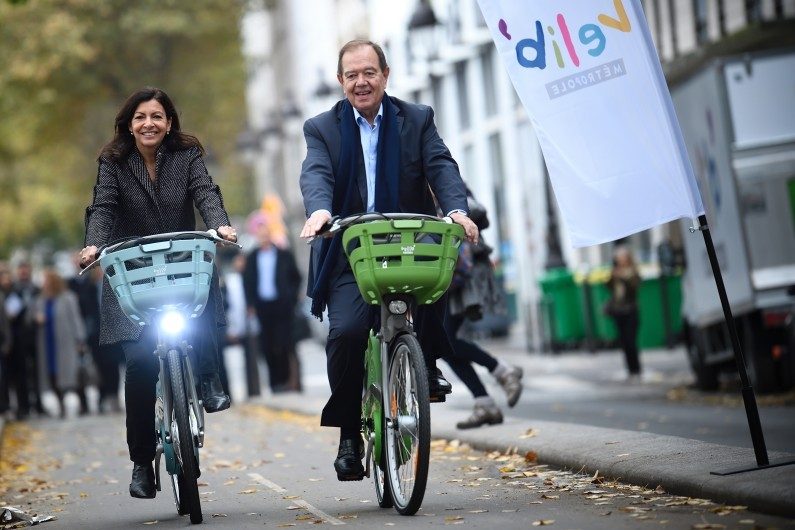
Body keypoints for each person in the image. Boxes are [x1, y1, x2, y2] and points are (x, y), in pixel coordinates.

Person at [298, 39, 478, 481]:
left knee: (433, 287)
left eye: (369, 72)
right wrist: (320, 210)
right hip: (348, 251)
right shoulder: (321, 128)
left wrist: (456, 210)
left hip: (406, 243)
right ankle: (346, 434)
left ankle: (423, 364)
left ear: (385, 74)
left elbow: (441, 167)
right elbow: (316, 172)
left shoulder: (416, 119)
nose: (361, 82)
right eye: (352, 75)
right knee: (346, 333)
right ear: (341, 82)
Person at [80, 86, 238, 500]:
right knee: (139, 363)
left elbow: (205, 192)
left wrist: (219, 225)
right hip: (132, 274)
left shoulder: (187, 156)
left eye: (157, 117)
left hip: (181, 263)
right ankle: (141, 461)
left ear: (169, 124)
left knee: (200, 303)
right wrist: (94, 244)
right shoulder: (113, 162)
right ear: (128, 126)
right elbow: (104, 208)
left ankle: (207, 378)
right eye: (140, 118)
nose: (148, 124)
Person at [442, 194, 523, 429]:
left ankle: (501, 372)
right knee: (446, 344)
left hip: (462, 276)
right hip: (448, 275)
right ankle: (485, 400)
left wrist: (450, 210)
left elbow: (476, 212)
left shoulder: (445, 183)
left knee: (445, 340)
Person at [243, 212, 302, 393]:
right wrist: (250, 304)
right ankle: (275, 383)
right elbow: (248, 282)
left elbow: (296, 277)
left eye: (266, 232)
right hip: (262, 307)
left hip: (283, 306)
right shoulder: (252, 257)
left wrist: (291, 297)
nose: (264, 236)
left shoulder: (284, 254)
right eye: (260, 233)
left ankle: (288, 381)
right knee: (267, 346)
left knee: (284, 343)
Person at [34, 269, 87, 418]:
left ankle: (83, 404)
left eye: (46, 280)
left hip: (66, 342)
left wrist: (80, 340)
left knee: (72, 373)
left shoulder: (68, 297)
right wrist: (36, 318)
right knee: (52, 374)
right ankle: (61, 405)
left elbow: (76, 319)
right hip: (48, 343)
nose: (44, 284)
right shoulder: (41, 300)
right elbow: (31, 316)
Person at [5, 260, 42, 420]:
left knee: (38, 372)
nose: (23, 273)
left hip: (35, 335)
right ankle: (24, 406)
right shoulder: (13, 290)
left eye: (26, 270)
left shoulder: (36, 289)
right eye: (21, 270)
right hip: (19, 338)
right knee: (21, 374)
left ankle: (39, 405)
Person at [605, 246, 642, 381]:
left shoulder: (632, 271)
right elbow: (608, 287)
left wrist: (622, 277)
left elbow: (634, 287)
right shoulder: (615, 271)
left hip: (630, 310)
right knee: (624, 342)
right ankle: (630, 369)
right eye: (618, 258)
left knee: (631, 340)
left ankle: (636, 368)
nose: (620, 260)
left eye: (622, 257)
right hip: (618, 311)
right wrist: (612, 276)